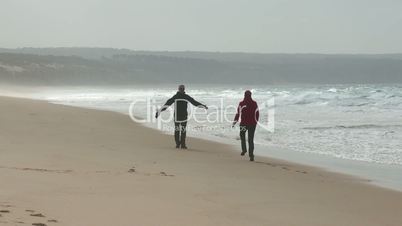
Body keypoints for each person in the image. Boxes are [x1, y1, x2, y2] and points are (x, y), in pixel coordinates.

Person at [155, 85, 208, 149]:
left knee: (179, 130)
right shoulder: (182, 97)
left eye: (182, 89)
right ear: (181, 89)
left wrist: (159, 111)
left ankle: (180, 144)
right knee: (180, 130)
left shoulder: (178, 96)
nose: (182, 90)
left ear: (181, 89)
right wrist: (203, 106)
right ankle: (180, 144)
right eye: (181, 89)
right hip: (181, 116)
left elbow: (167, 105)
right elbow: (194, 103)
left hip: (180, 116)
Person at [232, 90, 259, 161]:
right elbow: (257, 113)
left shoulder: (241, 103)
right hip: (252, 124)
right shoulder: (254, 103)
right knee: (251, 139)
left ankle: (244, 150)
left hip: (244, 124)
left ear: (244, 95)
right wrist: (256, 121)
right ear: (251, 95)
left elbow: (238, 113)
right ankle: (251, 155)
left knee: (242, 136)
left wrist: (235, 121)